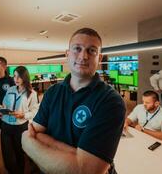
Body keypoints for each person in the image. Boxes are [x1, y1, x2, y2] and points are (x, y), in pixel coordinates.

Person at [21, 28, 126, 174]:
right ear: (67, 54)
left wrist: (27, 142)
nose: (83, 56)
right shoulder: (52, 92)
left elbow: (86, 170)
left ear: (100, 58)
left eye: (91, 51)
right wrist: (75, 155)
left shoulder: (111, 101)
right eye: (77, 48)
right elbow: (36, 133)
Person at [0, 66, 39, 174]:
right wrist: (2, 111)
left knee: (19, 153)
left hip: (20, 127)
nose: (16, 79)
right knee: (7, 155)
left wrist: (24, 115)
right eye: (14, 76)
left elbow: (34, 112)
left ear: (25, 77)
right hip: (6, 125)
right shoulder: (10, 89)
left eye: (19, 76)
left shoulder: (32, 93)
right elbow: (4, 104)